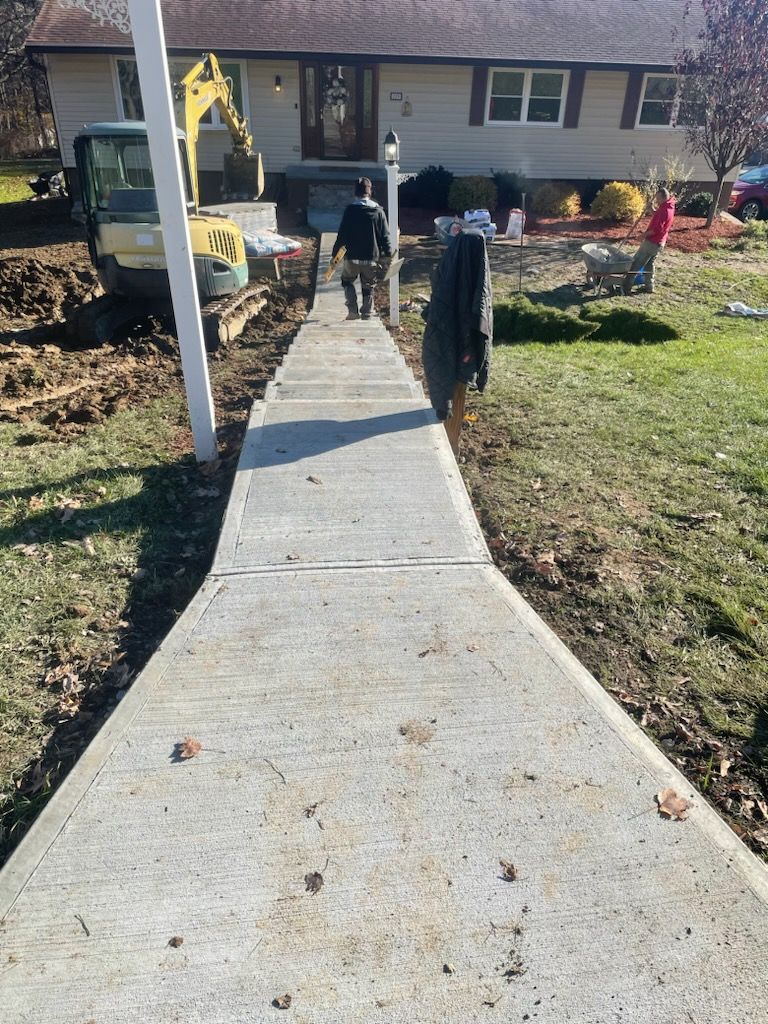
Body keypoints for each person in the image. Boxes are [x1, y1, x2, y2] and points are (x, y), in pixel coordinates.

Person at [331, 177, 392, 320]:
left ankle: (352, 311)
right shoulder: (378, 212)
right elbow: (385, 236)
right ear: (369, 192)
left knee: (347, 281)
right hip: (371, 257)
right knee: (369, 284)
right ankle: (366, 312)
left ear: (355, 193)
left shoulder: (350, 211)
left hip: (352, 257)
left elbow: (342, 235)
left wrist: (335, 256)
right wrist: (388, 255)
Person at [624, 187, 676, 295]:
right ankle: (649, 286)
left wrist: (642, 236)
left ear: (663, 197)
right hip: (660, 243)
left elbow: (656, 229)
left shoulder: (664, 210)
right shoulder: (669, 207)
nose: (656, 201)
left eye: (658, 198)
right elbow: (659, 218)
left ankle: (626, 287)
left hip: (652, 242)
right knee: (649, 265)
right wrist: (651, 209)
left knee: (635, 264)